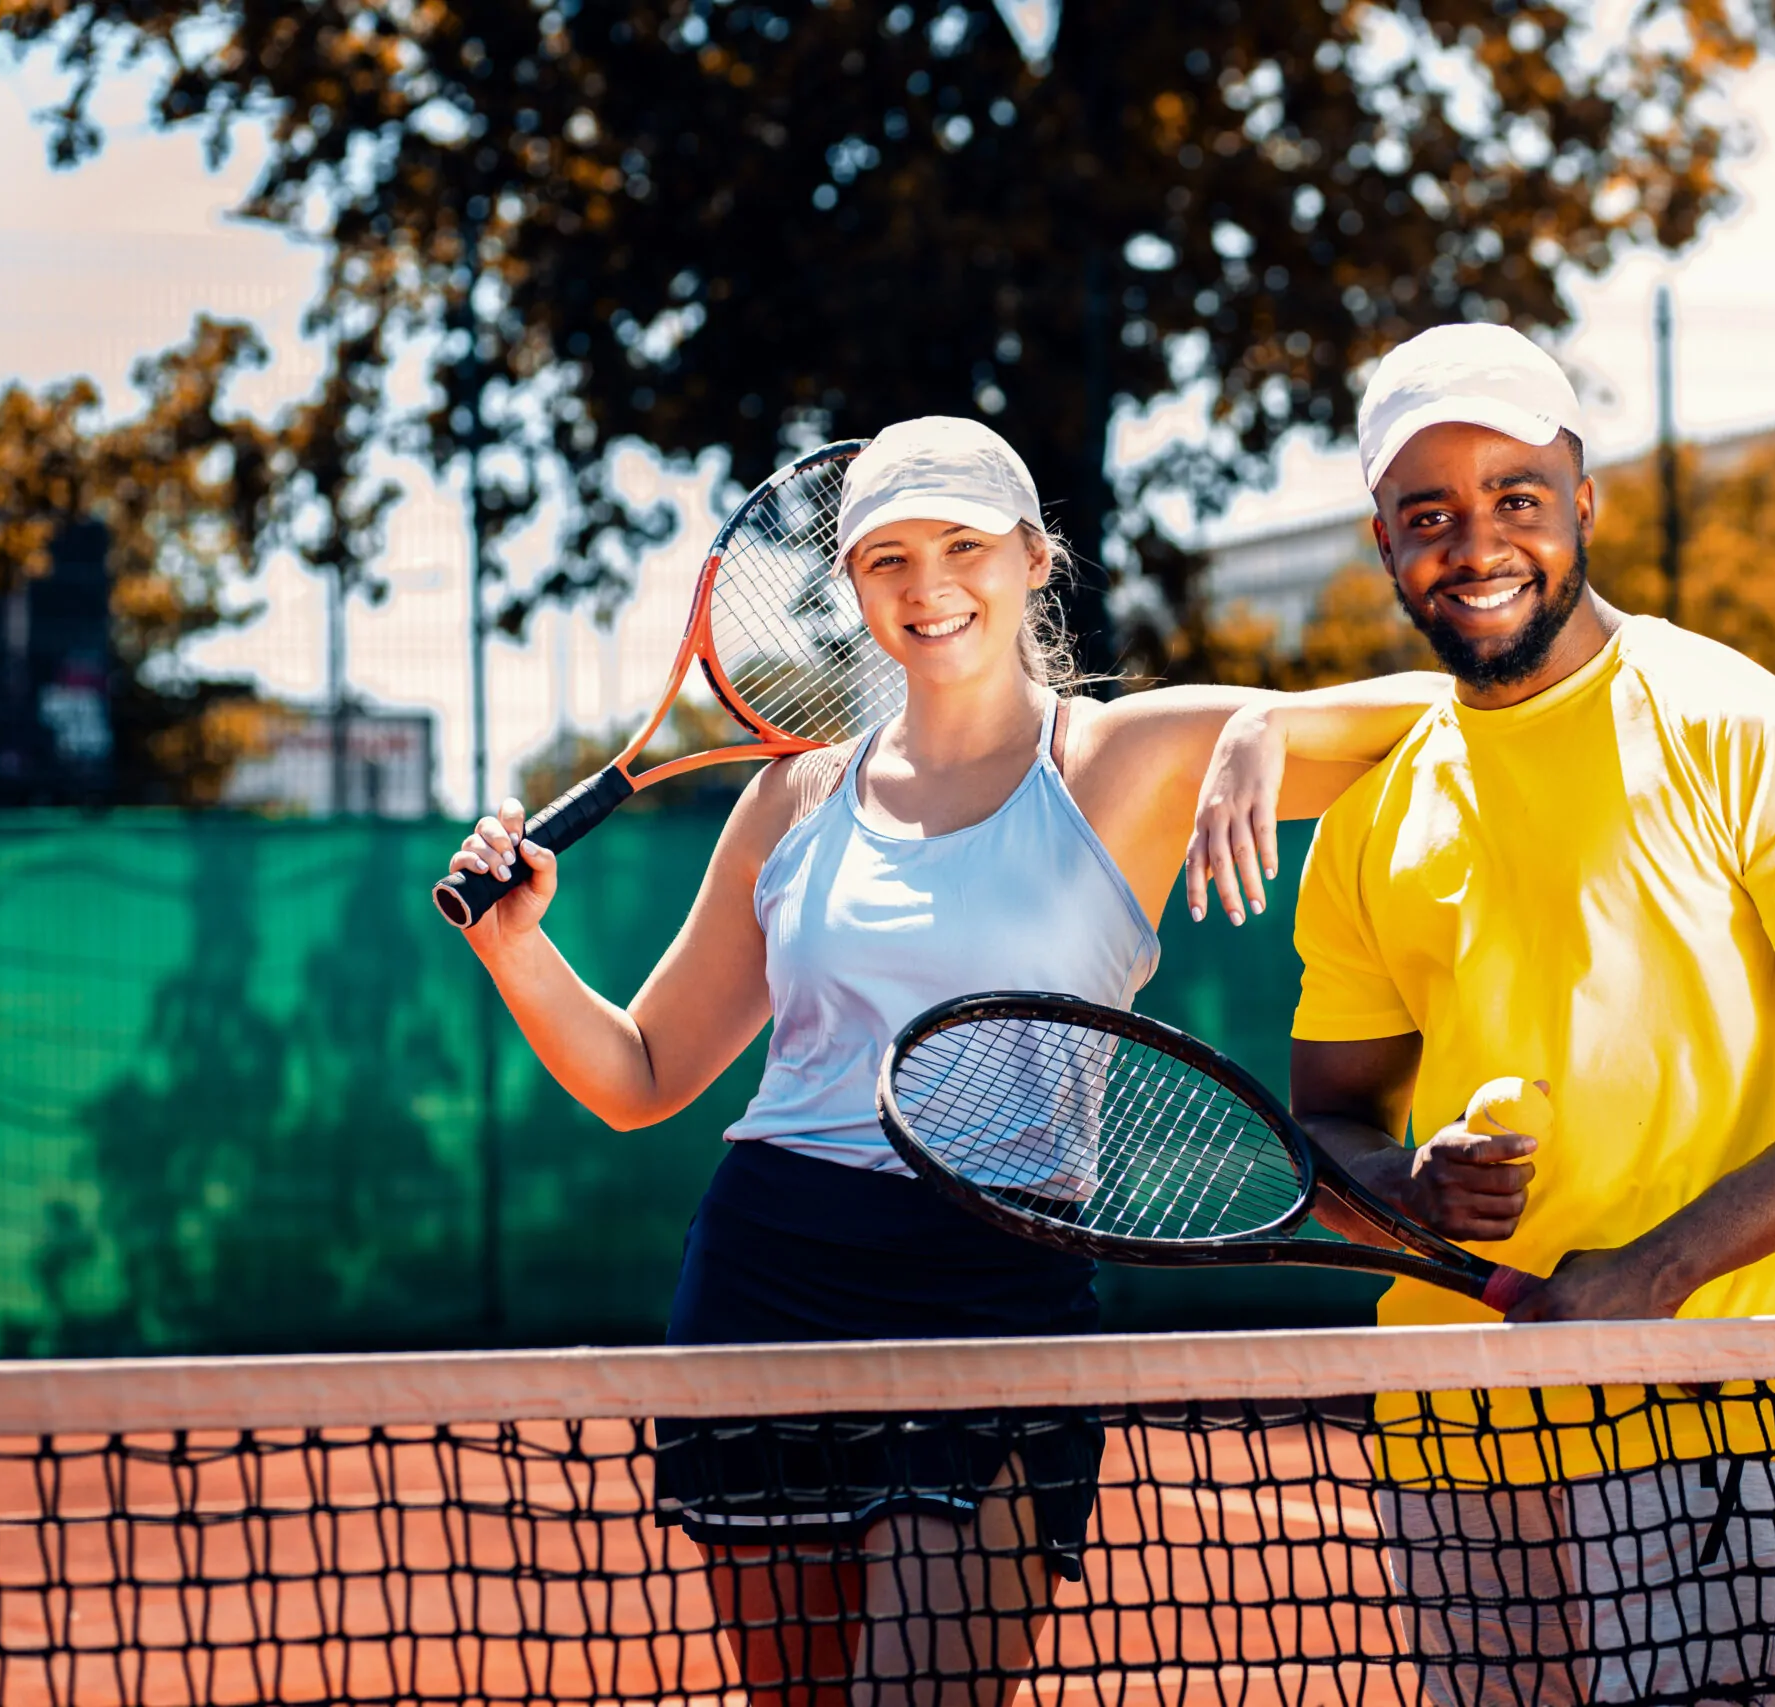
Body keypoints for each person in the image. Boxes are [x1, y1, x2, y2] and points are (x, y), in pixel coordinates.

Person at [442, 416, 1448, 1707]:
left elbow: (1448, 711)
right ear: (854, 585)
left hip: (999, 1281)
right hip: (767, 1275)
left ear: (1035, 558)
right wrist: (519, 948)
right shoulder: (791, 799)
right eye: (887, 559)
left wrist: (1268, 721)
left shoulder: (1124, 757)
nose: (928, 587)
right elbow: (642, 1076)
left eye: (964, 546)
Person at [1197, 325, 1775, 1703]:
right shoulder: (1372, 815)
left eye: (1516, 495)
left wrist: (1657, 1273)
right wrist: (1406, 1181)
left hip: (1685, 1410)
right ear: (1385, 543)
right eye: (1428, 513)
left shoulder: (1752, 733)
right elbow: (1328, 1128)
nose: (1477, 541)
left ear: (1584, 505)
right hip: (1447, 1430)